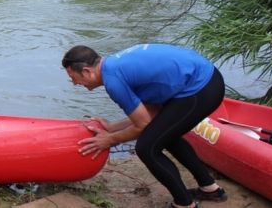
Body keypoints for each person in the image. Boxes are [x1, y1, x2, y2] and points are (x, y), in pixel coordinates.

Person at [61, 44, 227, 208]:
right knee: (164, 134)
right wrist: (112, 128)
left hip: (200, 87)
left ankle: (184, 204)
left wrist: (109, 140)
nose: (74, 83)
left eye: (73, 77)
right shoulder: (113, 66)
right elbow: (151, 115)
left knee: (147, 148)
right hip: (205, 80)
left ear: (86, 71)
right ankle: (210, 189)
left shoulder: (113, 82)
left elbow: (143, 124)